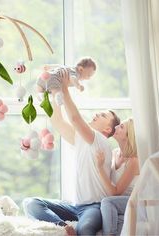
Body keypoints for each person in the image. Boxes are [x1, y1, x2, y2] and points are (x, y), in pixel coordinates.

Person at [23, 73, 120, 235]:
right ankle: (63, 227)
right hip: (76, 206)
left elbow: (74, 118)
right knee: (30, 203)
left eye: (103, 116)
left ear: (107, 130)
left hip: (95, 206)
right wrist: (54, 93)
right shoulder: (83, 139)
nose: (96, 114)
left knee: (84, 228)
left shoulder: (100, 141)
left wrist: (65, 88)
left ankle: (74, 230)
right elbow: (58, 122)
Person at [95, 118, 139, 236]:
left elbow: (115, 192)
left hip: (132, 202)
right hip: (119, 206)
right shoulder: (114, 153)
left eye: (121, 127)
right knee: (115, 221)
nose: (116, 127)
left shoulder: (134, 161)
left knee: (107, 203)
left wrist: (99, 168)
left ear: (129, 135)